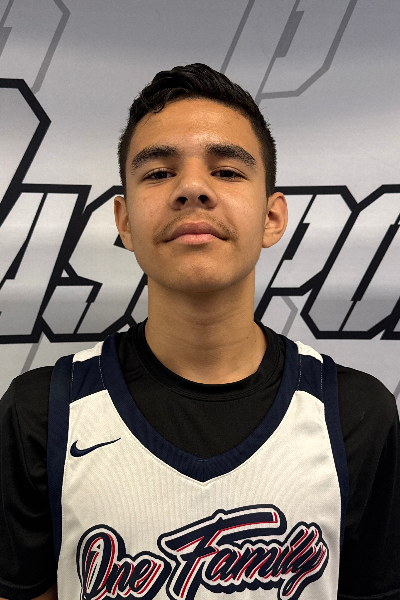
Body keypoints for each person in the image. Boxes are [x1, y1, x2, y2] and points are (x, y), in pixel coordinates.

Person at [0, 63, 399, 600]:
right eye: (158, 173)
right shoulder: (42, 414)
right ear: (124, 221)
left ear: (272, 218)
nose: (192, 187)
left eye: (227, 171)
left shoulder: (355, 416)